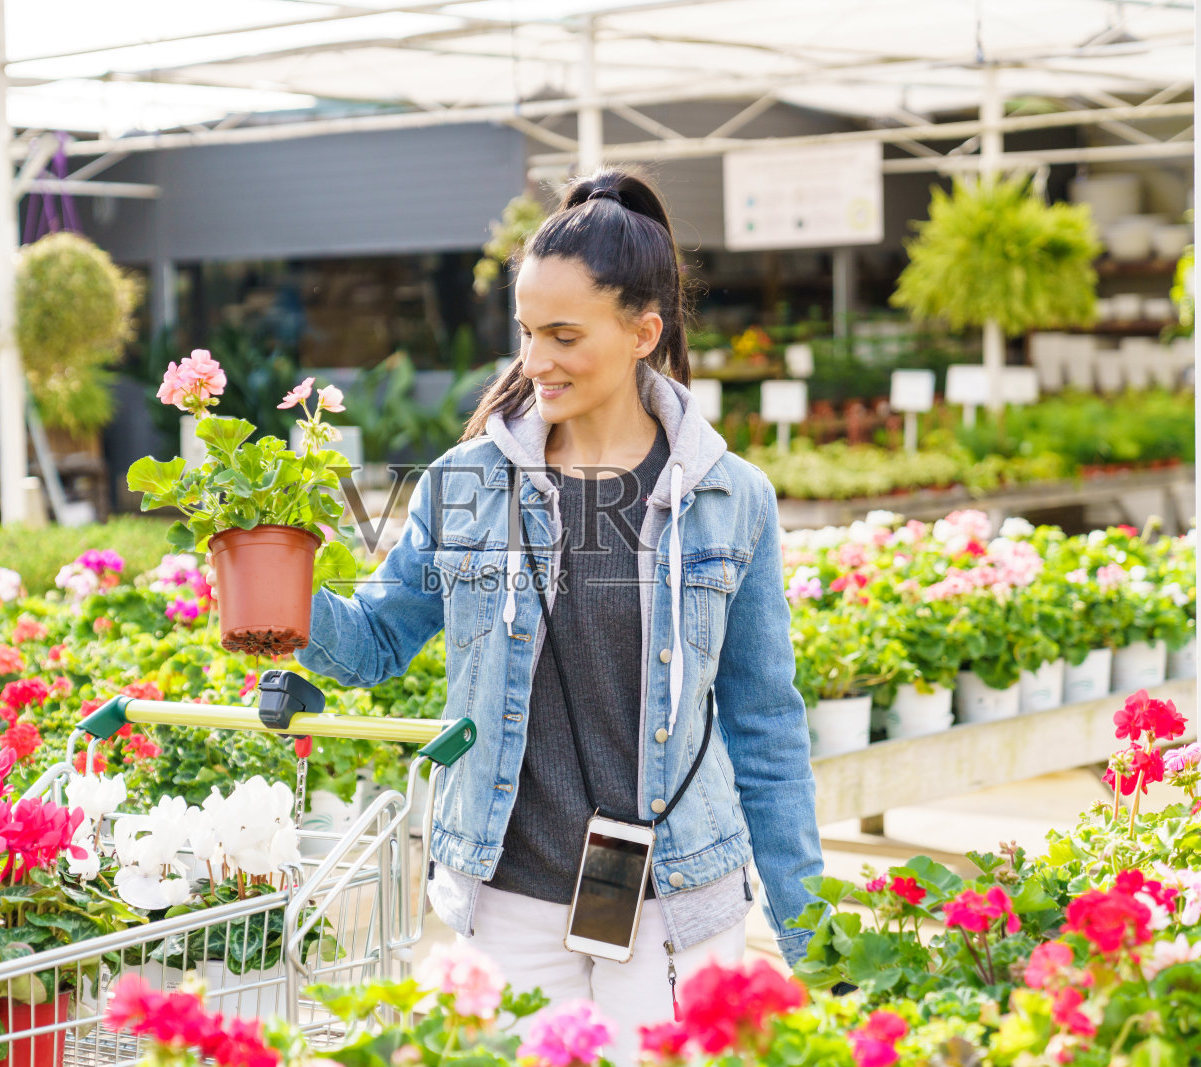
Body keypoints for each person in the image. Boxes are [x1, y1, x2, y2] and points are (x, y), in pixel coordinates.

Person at [294, 168, 823, 1058]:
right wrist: (277, 582)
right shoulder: (464, 484)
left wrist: (815, 935)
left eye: (565, 335)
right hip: (511, 899)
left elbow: (766, 722)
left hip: (677, 902)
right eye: (529, 332)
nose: (535, 361)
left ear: (643, 332)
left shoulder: (732, 498)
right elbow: (377, 642)